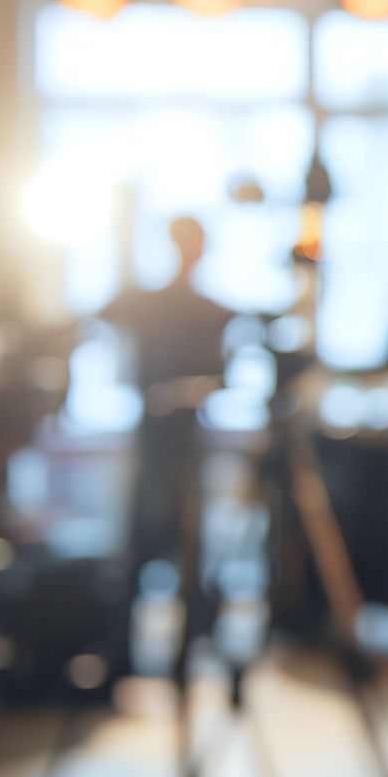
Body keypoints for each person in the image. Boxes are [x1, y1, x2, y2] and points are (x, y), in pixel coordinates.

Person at [98, 216, 236, 674]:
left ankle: (184, 658)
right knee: (140, 542)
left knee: (190, 550)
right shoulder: (147, 302)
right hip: (153, 437)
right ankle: (120, 657)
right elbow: (101, 312)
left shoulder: (210, 310)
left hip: (189, 440)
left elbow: (219, 378)